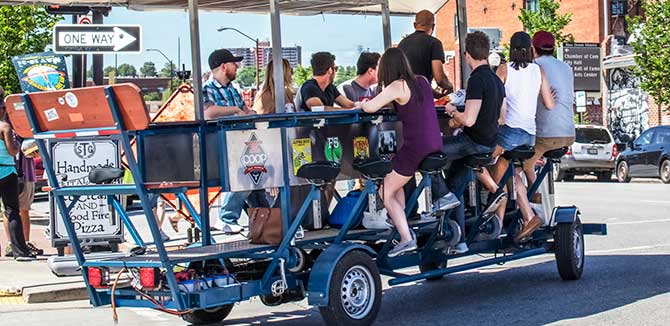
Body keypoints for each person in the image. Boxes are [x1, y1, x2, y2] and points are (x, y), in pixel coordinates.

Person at [360, 48, 442, 257]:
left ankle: (406, 238)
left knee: (385, 192)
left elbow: (370, 108)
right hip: (433, 141)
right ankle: (401, 224)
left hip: (414, 146)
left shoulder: (397, 85)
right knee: (395, 185)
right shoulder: (422, 81)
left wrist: (361, 104)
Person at [432, 31, 506, 253]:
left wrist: (453, 111)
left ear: (467, 55)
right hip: (489, 143)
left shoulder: (477, 79)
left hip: (473, 142)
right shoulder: (495, 79)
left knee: (427, 153)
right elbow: (502, 117)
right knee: (455, 187)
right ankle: (459, 240)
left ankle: (442, 198)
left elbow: (470, 120)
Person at [491, 31, 555, 242]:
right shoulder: (539, 71)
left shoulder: (504, 68)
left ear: (511, 49)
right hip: (530, 135)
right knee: (513, 174)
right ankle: (524, 216)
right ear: (530, 49)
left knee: (488, 165)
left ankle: (503, 211)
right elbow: (548, 103)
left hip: (510, 132)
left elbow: (494, 95)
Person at [523, 31, 575, 188]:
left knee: (524, 163)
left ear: (533, 48)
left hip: (548, 134)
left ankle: (535, 197)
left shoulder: (535, 68)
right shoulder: (566, 67)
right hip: (569, 133)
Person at [0, 88, 34, 261]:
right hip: (6, 171)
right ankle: (20, 251)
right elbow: (13, 151)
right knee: (12, 210)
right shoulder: (4, 127)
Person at [398, 9, 454, 96]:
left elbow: (411, 81)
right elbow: (439, 78)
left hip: (403, 97)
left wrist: (436, 95)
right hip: (422, 100)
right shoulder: (434, 43)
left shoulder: (402, 44)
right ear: (433, 26)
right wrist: (449, 87)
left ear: (414, 25)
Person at [3, 139, 43, 257]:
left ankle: (23, 242)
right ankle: (13, 243)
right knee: (11, 210)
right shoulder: (7, 129)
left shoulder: (24, 129)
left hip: (23, 174)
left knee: (21, 210)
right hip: (14, 173)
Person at [202, 49, 254, 119]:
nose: (237, 67)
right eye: (233, 63)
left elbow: (245, 110)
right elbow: (207, 113)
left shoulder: (233, 89)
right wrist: (235, 110)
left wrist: (251, 113)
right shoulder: (207, 88)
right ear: (224, 67)